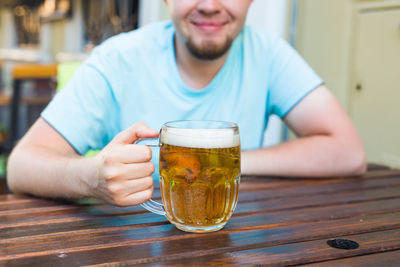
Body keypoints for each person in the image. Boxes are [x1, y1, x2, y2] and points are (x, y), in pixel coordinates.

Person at [6, 0, 366, 206]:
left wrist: (227, 163)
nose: (210, 5)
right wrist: (92, 177)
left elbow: (349, 153)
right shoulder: (118, 59)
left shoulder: (267, 53)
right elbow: (22, 166)